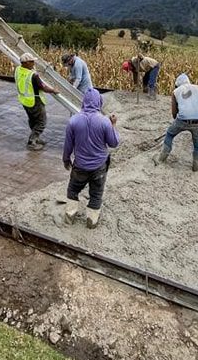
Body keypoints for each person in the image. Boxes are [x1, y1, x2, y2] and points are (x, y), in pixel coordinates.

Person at [63, 89, 120, 228]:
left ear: (84, 102)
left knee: (73, 190)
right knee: (96, 194)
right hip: (99, 167)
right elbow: (114, 143)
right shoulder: (104, 121)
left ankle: (70, 215)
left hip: (80, 166)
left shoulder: (73, 121)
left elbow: (68, 145)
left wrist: (66, 160)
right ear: (99, 102)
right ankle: (92, 221)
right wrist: (113, 125)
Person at [157, 73, 198, 171]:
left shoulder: (175, 91)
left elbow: (174, 112)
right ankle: (196, 165)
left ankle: (162, 157)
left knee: (170, 134)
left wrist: (177, 119)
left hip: (182, 119)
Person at [15, 52, 58, 150]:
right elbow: (43, 87)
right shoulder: (33, 75)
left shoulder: (18, 69)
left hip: (24, 100)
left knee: (32, 120)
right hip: (34, 101)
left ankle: (36, 137)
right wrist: (54, 90)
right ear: (25, 63)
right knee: (42, 121)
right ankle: (32, 141)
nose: (33, 63)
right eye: (31, 62)